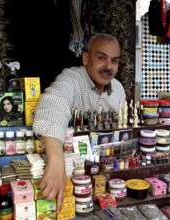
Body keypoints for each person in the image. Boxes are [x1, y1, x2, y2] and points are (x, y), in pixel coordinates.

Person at [33, 33, 126, 213]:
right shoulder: (72, 79)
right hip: (71, 170)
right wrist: (56, 160)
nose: (109, 67)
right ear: (86, 58)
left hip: (103, 173)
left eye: (114, 61)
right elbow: (53, 105)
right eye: (101, 58)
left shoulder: (118, 89)